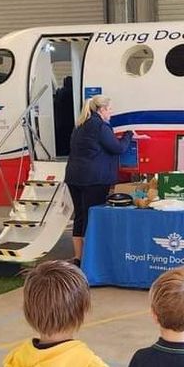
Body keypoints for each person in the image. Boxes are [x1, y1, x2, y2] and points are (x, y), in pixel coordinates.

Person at [64, 95, 133, 266]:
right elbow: (118, 148)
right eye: (110, 109)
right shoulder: (100, 126)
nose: (111, 112)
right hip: (94, 179)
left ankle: (79, 258)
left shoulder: (80, 124)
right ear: (102, 110)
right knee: (92, 217)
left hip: (74, 177)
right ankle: (91, 261)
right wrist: (128, 135)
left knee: (80, 216)